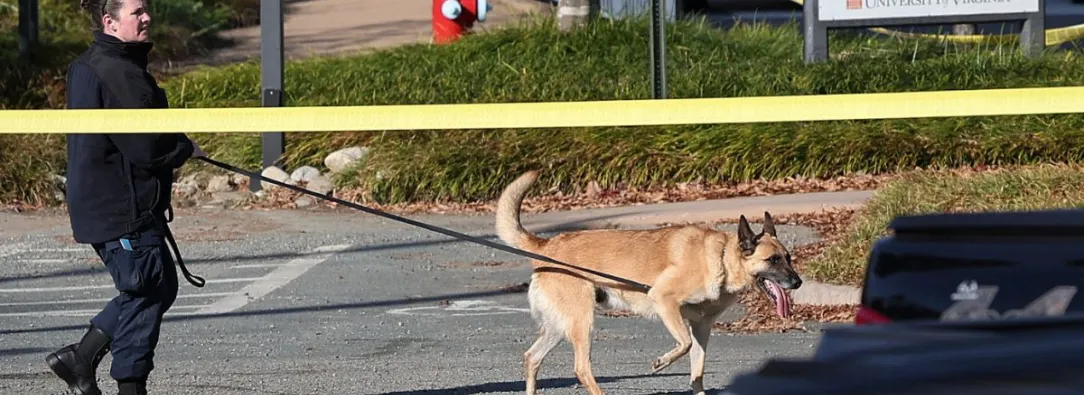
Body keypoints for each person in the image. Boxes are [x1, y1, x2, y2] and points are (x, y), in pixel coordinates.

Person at [45, 0, 208, 394]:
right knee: (148, 289)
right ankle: (123, 382)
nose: (147, 17)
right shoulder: (117, 70)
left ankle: (81, 358)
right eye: (137, 12)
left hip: (106, 204)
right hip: (123, 208)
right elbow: (147, 145)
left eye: (146, 9)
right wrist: (183, 150)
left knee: (156, 285)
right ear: (109, 21)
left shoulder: (93, 63)